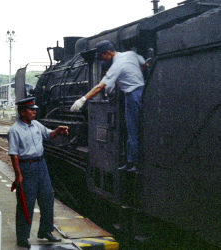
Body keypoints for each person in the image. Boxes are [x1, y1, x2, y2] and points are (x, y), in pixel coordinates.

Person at [70, 40, 146, 172]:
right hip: (138, 92)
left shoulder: (117, 65)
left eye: (101, 56)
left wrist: (82, 99)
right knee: (132, 129)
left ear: (108, 53)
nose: (101, 60)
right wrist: (136, 74)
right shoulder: (131, 54)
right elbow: (145, 64)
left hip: (133, 95)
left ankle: (135, 163)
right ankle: (131, 161)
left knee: (133, 130)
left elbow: (100, 86)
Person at [8, 97, 69, 248]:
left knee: (48, 198)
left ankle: (45, 231)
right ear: (23, 112)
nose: (35, 111)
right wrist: (18, 175)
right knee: (26, 203)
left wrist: (58, 131)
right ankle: (22, 237)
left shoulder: (36, 124)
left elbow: (49, 134)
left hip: (41, 165)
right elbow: (14, 154)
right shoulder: (15, 130)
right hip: (27, 167)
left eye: (35, 109)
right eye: (31, 109)